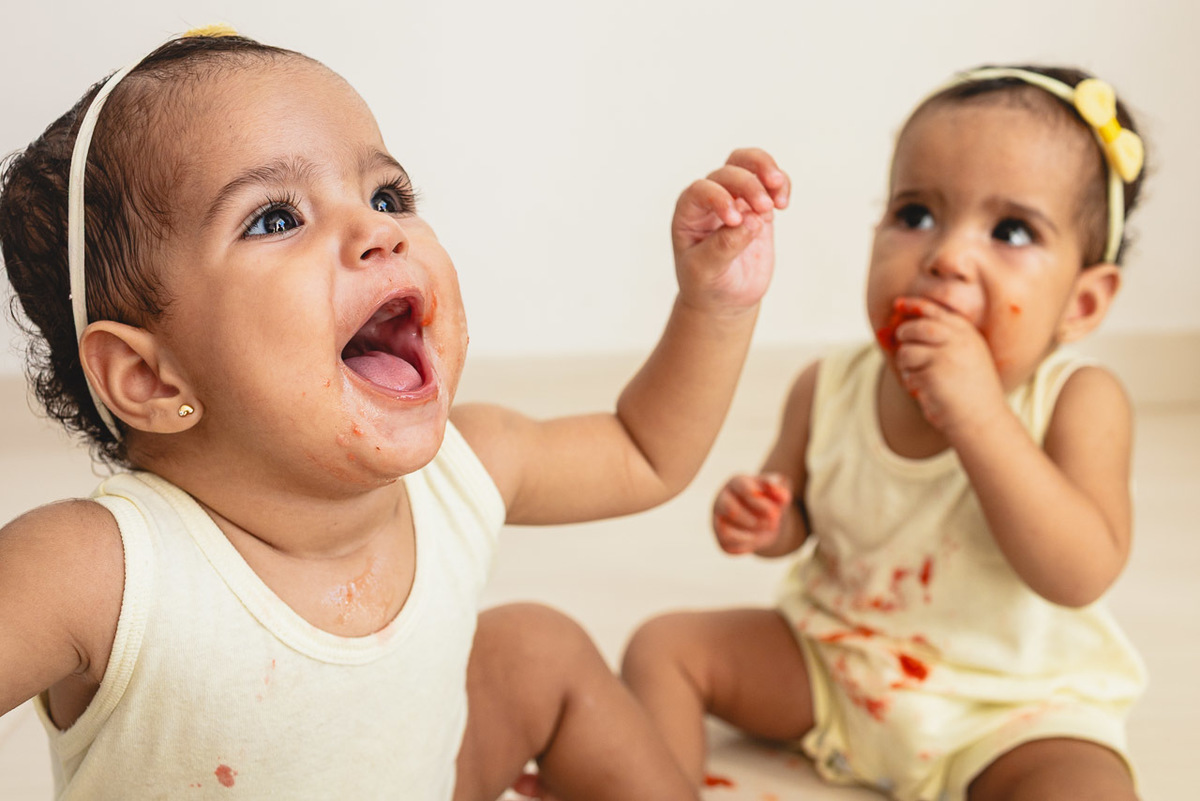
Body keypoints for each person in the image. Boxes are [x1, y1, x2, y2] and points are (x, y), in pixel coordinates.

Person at [0, 28, 790, 800]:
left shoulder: (464, 469)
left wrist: (713, 308)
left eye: (387, 194)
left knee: (539, 650)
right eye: (276, 217)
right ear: (145, 375)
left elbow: (642, 451)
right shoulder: (101, 571)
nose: (376, 230)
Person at [621, 65, 1149, 801]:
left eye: (1011, 231)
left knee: (1085, 786)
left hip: (1011, 707)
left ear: (1083, 303)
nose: (946, 255)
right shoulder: (828, 385)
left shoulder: (1078, 400)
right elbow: (793, 518)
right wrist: (764, 517)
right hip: (835, 666)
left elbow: (1079, 570)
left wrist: (978, 415)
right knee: (664, 647)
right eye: (916, 214)